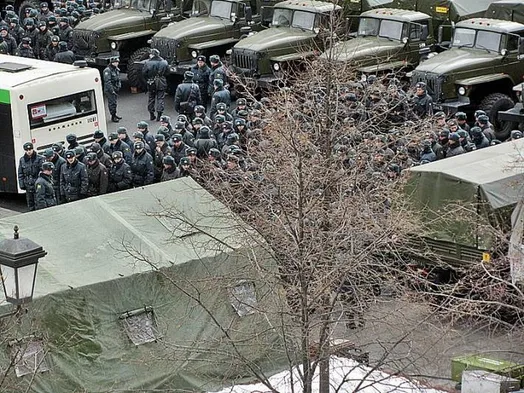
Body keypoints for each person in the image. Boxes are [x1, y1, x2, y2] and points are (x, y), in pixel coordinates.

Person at [142, 48, 169, 121]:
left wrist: (147, 80)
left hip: (151, 82)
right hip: (161, 81)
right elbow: (167, 72)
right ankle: (159, 115)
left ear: (152, 55)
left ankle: (151, 114)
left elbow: (144, 73)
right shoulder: (164, 62)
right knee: (160, 98)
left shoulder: (147, 63)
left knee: (151, 98)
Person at [18, 142, 45, 211]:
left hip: (37, 183)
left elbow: (43, 172)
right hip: (28, 184)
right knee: (30, 203)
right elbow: (20, 173)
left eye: (30, 150)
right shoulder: (22, 160)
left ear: (32, 149)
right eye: (27, 150)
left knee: (38, 202)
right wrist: (22, 184)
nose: (29, 151)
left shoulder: (39, 158)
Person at [103, 56, 122, 123]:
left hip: (115, 88)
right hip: (110, 90)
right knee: (112, 103)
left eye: (117, 62)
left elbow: (118, 78)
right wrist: (112, 90)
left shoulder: (116, 69)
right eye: (115, 62)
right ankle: (113, 116)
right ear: (112, 63)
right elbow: (108, 82)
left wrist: (119, 86)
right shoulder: (107, 70)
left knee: (115, 103)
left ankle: (115, 114)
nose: (117, 63)